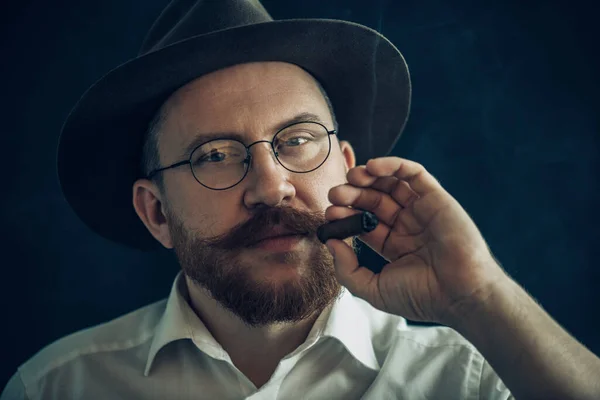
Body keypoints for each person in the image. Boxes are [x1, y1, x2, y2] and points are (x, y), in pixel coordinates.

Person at [3, 0, 599, 399]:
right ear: (156, 212)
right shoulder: (57, 387)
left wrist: (480, 295)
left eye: (297, 141)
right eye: (215, 155)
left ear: (345, 168)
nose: (271, 187)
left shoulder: (466, 379)